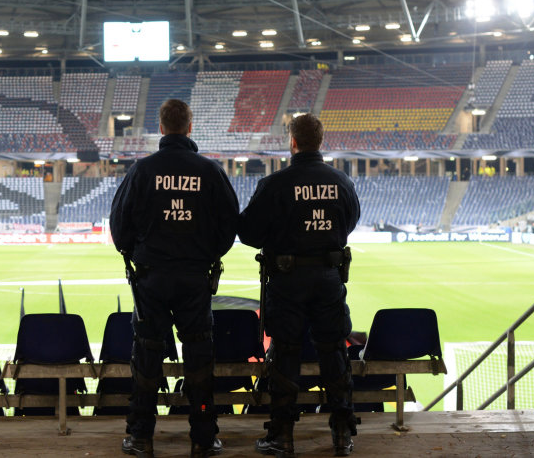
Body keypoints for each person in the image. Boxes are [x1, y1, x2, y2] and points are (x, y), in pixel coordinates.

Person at [110, 99, 239, 458]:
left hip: (151, 278)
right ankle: (202, 437)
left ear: (162, 128)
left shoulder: (141, 170)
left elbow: (119, 226)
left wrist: (136, 253)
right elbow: (230, 225)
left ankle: (141, 437)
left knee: (147, 355)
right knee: (199, 356)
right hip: (195, 278)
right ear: (190, 127)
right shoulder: (210, 171)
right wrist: (209, 255)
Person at [237, 113, 360, 457]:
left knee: (286, 352)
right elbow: (349, 221)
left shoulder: (276, 184)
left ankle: (283, 435)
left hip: (288, 279)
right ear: (321, 141)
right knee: (334, 350)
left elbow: (248, 233)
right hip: (328, 277)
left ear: (292, 142)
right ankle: (341, 432)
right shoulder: (342, 182)